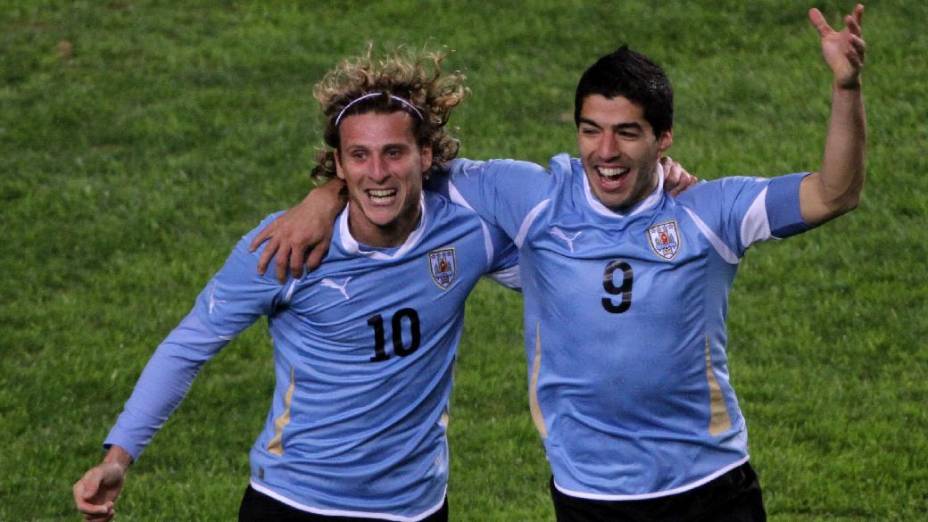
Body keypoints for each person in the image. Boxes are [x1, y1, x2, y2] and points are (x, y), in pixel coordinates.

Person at [253, 5, 867, 520]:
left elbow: (833, 193)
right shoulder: (534, 199)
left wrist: (845, 90)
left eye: (627, 132)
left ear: (664, 138)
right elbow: (393, 166)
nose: (606, 152)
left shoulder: (710, 211)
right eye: (590, 130)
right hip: (587, 497)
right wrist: (325, 194)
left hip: (709, 487)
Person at [72, 47, 523, 522]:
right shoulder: (284, 246)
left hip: (415, 508)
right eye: (360, 156)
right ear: (340, 165)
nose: (378, 173)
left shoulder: (468, 235)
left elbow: (559, 273)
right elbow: (188, 346)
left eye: (394, 152)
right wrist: (117, 458)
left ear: (425, 155)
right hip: (296, 502)